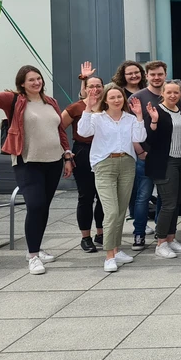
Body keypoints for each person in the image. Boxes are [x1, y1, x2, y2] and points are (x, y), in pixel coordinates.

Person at [0, 55, 73, 275]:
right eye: (31, 80)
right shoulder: (13, 100)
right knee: (35, 205)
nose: (36, 82)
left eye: (38, 78)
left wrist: (66, 156)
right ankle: (33, 256)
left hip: (53, 162)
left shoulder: (50, 102)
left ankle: (35, 247)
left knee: (43, 207)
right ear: (22, 84)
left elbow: (59, 131)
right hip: (27, 162)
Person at [77, 86, 147, 272]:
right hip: (104, 164)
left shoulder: (130, 118)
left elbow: (139, 137)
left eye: (119, 97)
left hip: (127, 163)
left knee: (121, 210)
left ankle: (116, 250)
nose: (116, 100)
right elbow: (83, 132)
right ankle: (109, 255)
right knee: (111, 211)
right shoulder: (97, 117)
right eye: (112, 97)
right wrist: (88, 108)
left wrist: (139, 116)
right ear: (105, 100)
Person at [143, 81, 181, 259]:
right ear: (162, 93)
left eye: (176, 93)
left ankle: (171, 239)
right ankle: (161, 242)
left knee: (177, 203)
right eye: (169, 92)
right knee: (168, 203)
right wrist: (154, 122)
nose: (173, 96)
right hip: (166, 163)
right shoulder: (156, 111)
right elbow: (148, 139)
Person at [61, 69, 104, 253]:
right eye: (91, 86)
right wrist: (67, 155)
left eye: (98, 86)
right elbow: (59, 129)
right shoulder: (75, 107)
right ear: (85, 89)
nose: (95, 89)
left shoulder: (109, 105)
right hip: (83, 151)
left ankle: (101, 233)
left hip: (105, 152)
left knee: (104, 196)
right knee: (86, 196)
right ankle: (85, 237)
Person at [130, 60, 167, 250]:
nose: (156, 77)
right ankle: (139, 234)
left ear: (165, 74)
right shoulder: (137, 98)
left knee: (164, 197)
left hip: (166, 156)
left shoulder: (171, 94)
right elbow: (130, 127)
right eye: (153, 75)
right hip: (145, 155)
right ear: (147, 76)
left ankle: (161, 234)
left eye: (160, 74)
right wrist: (140, 151)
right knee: (143, 197)